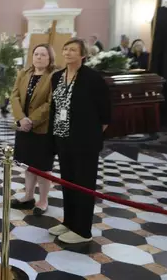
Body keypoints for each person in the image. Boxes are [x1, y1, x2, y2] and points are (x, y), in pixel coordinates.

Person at [48, 38, 111, 244]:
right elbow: (55, 108)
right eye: (65, 49)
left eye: (73, 50)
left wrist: (92, 135)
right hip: (62, 137)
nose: (67, 53)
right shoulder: (57, 76)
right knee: (68, 183)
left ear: (83, 54)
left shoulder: (93, 78)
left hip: (85, 141)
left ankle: (83, 230)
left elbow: (105, 114)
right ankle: (69, 222)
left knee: (83, 184)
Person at [10, 44, 56, 215]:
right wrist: (21, 118)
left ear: (50, 57)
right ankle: (28, 196)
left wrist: (31, 120)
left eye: (43, 54)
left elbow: (51, 103)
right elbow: (14, 96)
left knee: (43, 167)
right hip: (23, 126)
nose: (38, 57)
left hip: (42, 128)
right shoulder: (24, 73)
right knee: (28, 164)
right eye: (36, 54)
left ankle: (43, 200)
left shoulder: (54, 76)